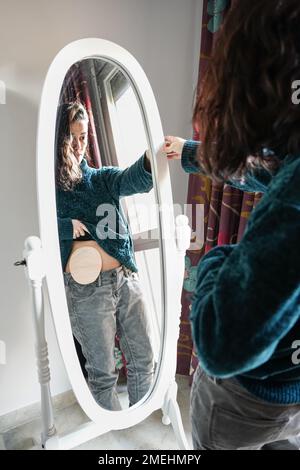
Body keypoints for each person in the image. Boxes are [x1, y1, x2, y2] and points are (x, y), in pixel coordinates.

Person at [164, 0, 300, 450]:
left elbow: (224, 343)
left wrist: (217, 260)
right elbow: (268, 171)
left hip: (249, 399)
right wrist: (190, 153)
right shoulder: (291, 167)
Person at [55, 101, 154, 411]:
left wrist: (152, 158)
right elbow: (44, 228)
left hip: (125, 280)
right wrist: (67, 226)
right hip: (86, 291)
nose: (78, 145)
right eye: (71, 137)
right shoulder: (51, 191)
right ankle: (111, 442)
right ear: (60, 139)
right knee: (102, 374)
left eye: (83, 136)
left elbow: (135, 178)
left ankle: (135, 421)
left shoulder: (101, 179)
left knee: (144, 360)